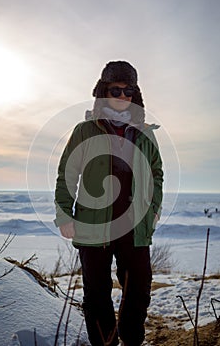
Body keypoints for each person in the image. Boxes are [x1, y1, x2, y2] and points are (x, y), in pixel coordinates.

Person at [54, 61, 163, 346]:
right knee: (97, 293)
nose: (122, 96)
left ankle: (132, 340)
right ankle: (105, 343)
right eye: (116, 89)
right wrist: (64, 215)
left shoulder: (145, 133)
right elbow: (68, 173)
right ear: (103, 91)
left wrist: (153, 210)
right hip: (92, 226)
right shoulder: (84, 130)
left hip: (135, 226)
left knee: (138, 289)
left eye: (129, 91)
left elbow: (156, 173)